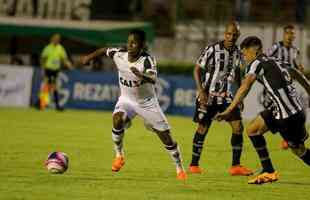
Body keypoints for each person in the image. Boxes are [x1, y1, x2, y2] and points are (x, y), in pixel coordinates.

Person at [80, 29, 187, 180]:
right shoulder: (119, 54)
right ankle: (119, 155)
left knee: (165, 137)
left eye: (134, 43)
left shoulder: (147, 60)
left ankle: (179, 167)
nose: (129, 46)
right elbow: (105, 50)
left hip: (147, 103)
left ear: (142, 45)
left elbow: (153, 78)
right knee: (117, 120)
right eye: (128, 42)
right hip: (127, 100)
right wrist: (89, 57)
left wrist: (140, 74)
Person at [216, 36, 310, 184]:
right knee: (252, 130)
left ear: (253, 50)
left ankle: (269, 172)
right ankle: (268, 170)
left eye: (244, 53)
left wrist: (230, 108)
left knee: (299, 150)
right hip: (288, 111)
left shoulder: (256, 63)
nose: (244, 57)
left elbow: (245, 86)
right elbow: (298, 74)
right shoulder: (277, 61)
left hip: (288, 117)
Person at [188, 21, 253, 176]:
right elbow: (197, 69)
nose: (231, 37)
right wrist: (201, 90)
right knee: (203, 128)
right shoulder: (212, 49)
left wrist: (240, 96)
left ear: (238, 36)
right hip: (208, 96)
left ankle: (235, 166)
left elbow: (237, 74)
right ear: (225, 34)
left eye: (235, 35)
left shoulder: (238, 52)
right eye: (229, 34)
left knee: (238, 127)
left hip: (226, 98)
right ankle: (193, 164)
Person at [266, 24, 305, 149]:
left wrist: (300, 68)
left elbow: (297, 65)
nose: (290, 35)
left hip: (288, 86)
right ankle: (288, 137)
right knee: (279, 111)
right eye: (288, 33)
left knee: (291, 110)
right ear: (284, 34)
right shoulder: (276, 47)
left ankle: (291, 137)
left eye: (292, 33)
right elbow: (265, 59)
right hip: (275, 86)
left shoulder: (295, 50)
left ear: (294, 36)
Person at [40, 34, 73, 111]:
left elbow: (64, 59)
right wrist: (43, 68)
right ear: (52, 39)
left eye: (58, 39)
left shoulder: (60, 48)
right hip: (48, 69)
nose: (56, 40)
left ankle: (57, 105)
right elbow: (43, 58)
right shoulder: (48, 48)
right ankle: (42, 105)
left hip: (55, 70)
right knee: (46, 86)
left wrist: (69, 65)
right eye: (55, 39)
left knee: (54, 87)